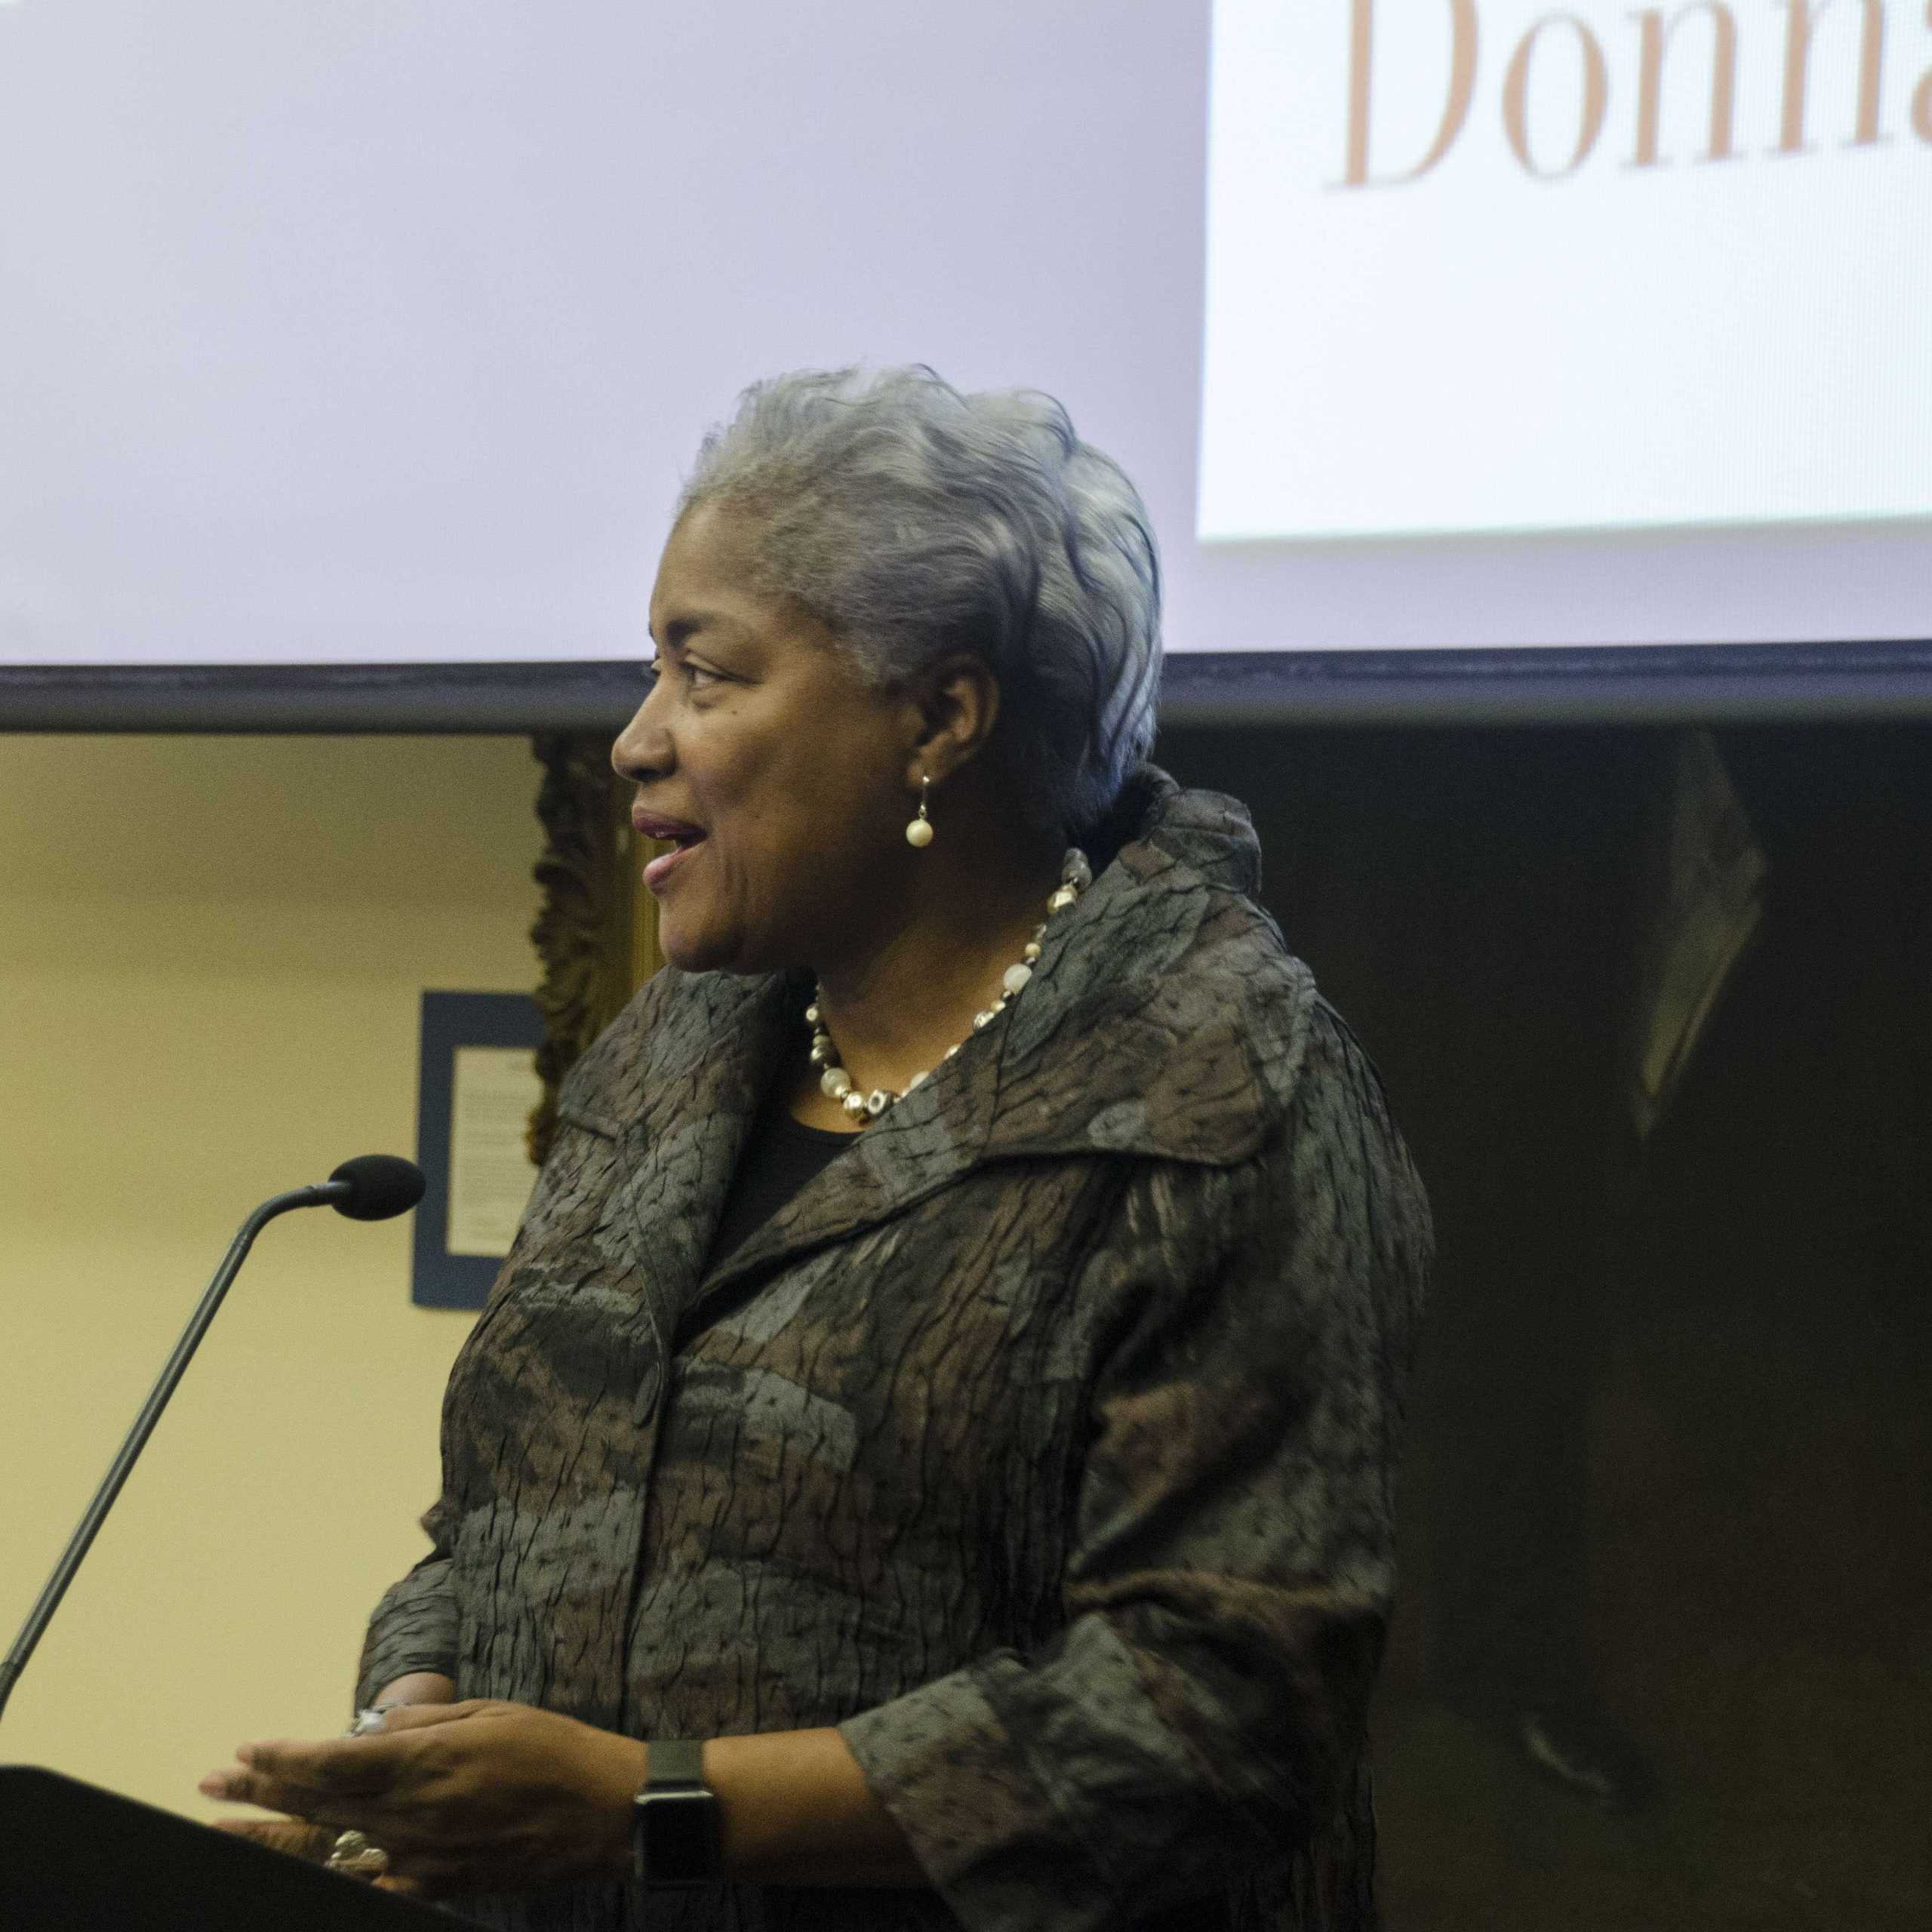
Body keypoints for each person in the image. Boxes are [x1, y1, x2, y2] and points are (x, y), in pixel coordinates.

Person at [201, 367, 1432, 1930]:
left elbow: (1217, 1711)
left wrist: (648, 1808)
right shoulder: (673, 1044)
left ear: (938, 716)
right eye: (651, 669)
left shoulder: (1216, 1084)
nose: (635, 742)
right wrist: (408, 1747)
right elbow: (500, 1514)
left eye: (704, 674)